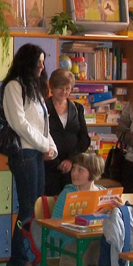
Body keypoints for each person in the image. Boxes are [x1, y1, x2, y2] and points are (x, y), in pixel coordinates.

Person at [0, 43, 57, 266]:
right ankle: (17, 260)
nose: (42, 66)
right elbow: (20, 124)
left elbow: (43, 124)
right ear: (27, 62)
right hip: (24, 155)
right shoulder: (14, 87)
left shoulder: (35, 88)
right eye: (38, 62)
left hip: (36, 154)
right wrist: (44, 145)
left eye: (43, 62)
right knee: (26, 209)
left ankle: (25, 257)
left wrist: (51, 146)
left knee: (35, 210)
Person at [44, 68, 90, 196]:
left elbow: (84, 138)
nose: (64, 92)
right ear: (52, 87)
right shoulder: (42, 107)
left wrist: (71, 160)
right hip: (49, 165)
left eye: (68, 88)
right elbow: (38, 136)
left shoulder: (77, 108)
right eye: (60, 88)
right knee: (50, 203)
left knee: (71, 201)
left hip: (73, 167)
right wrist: (57, 162)